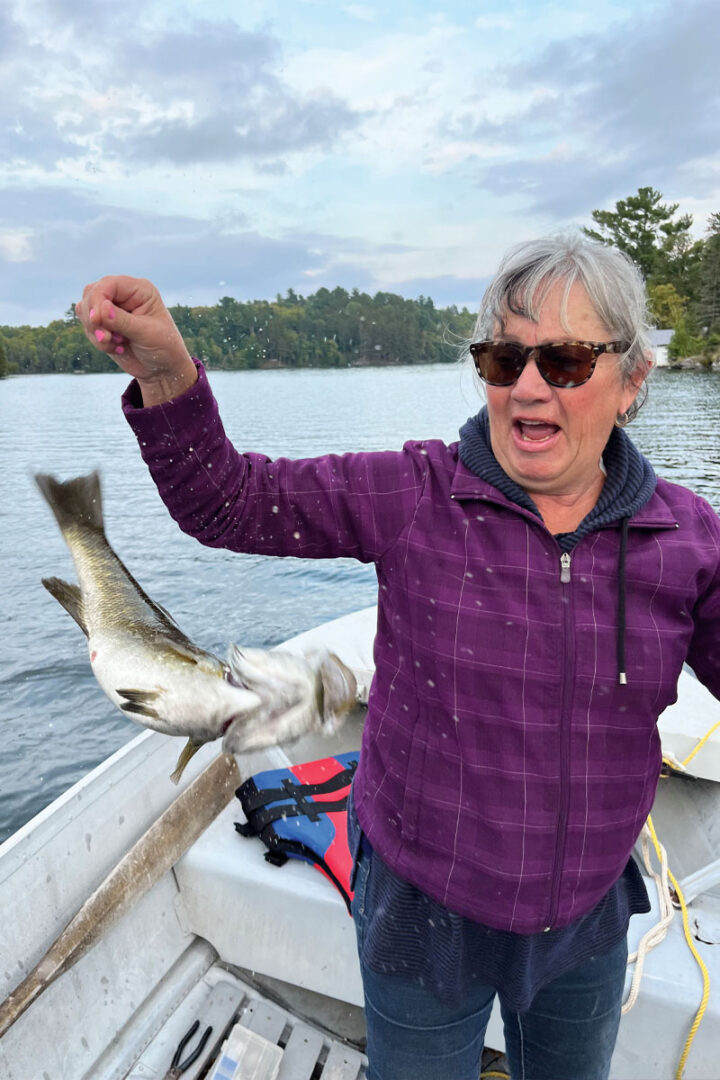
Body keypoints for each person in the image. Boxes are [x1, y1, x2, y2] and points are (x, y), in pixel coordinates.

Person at [77, 234, 720, 1080]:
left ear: (632, 380)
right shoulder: (417, 494)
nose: (528, 386)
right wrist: (167, 377)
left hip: (586, 913)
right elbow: (231, 502)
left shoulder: (688, 542)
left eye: (565, 361)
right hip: (420, 904)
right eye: (503, 357)